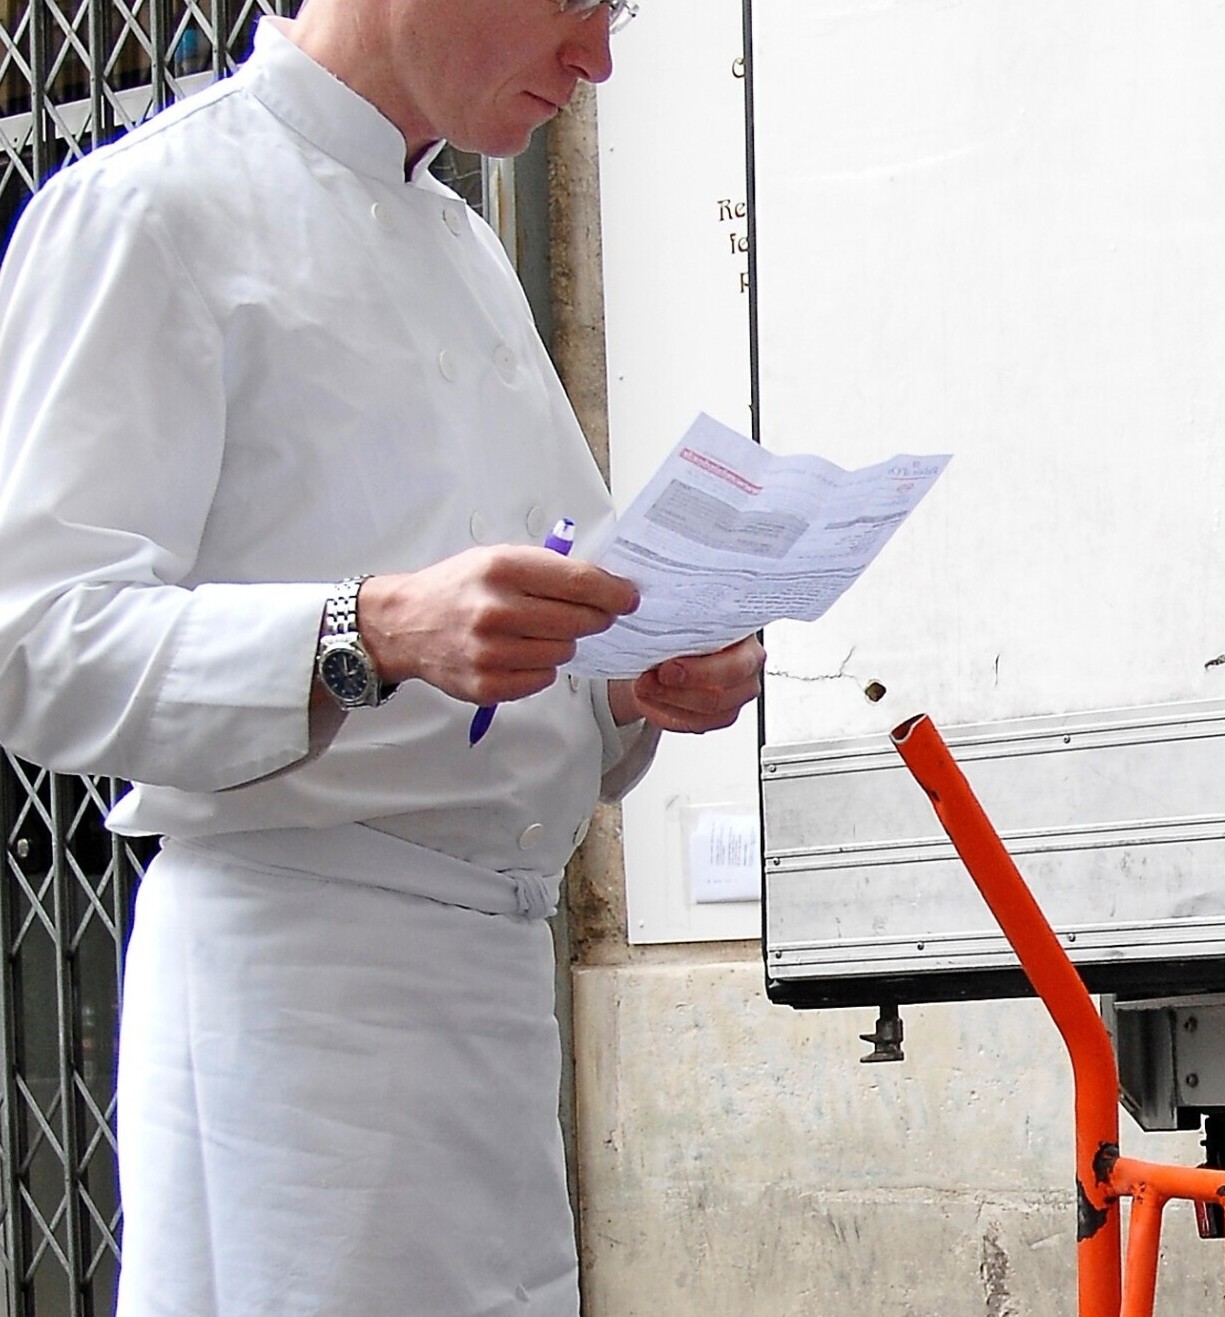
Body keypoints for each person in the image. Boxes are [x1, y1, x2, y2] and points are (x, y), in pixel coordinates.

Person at [0, 3, 763, 1312]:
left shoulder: (462, 241)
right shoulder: (149, 214)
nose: (597, 59)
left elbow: (516, 610)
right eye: (578, 4)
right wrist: (368, 630)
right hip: (304, 989)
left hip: (490, 993)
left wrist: (629, 679)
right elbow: (33, 640)